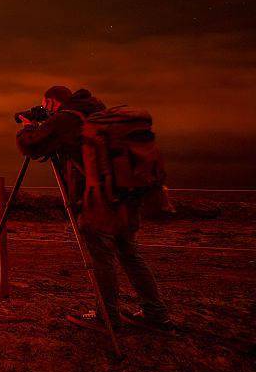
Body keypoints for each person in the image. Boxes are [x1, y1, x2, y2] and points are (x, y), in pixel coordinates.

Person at [16, 85, 172, 330]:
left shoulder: (68, 119)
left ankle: (107, 317)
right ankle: (156, 312)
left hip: (98, 200)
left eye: (46, 105)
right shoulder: (96, 115)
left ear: (51, 102)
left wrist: (27, 126)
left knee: (101, 257)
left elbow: (32, 145)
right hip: (126, 196)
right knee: (129, 254)